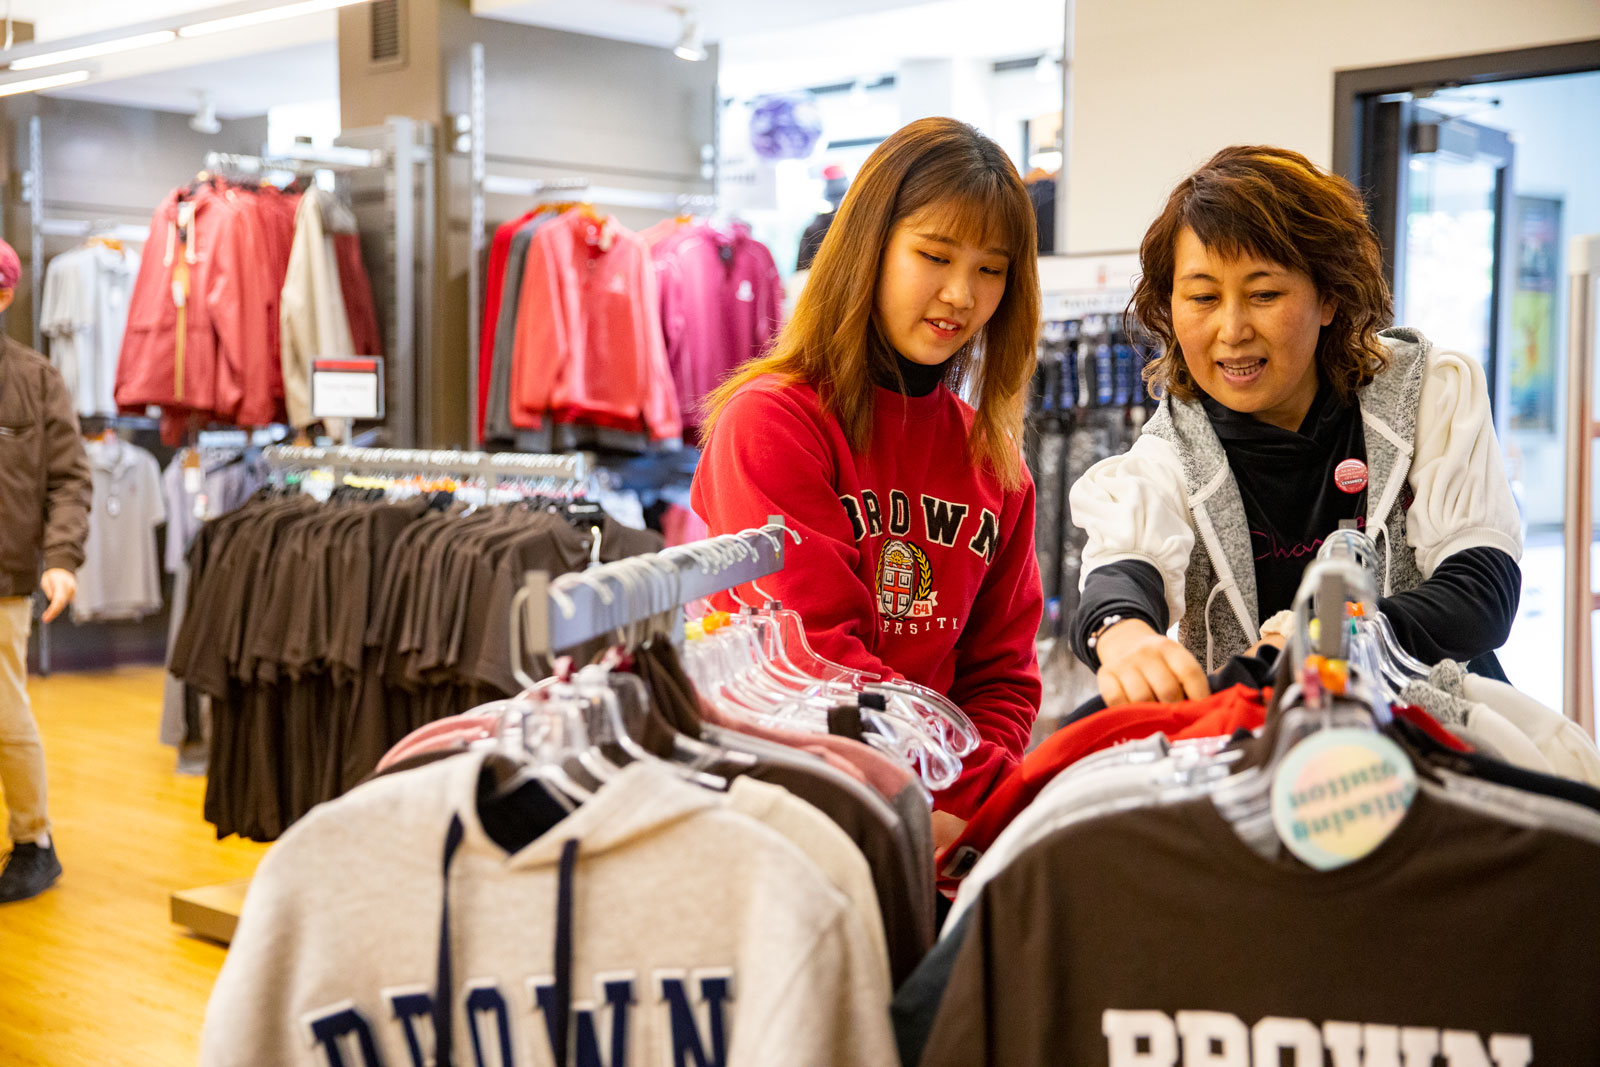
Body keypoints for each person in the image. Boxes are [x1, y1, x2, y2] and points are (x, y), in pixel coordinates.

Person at [1070, 145, 1522, 708]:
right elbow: (1123, 567)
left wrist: (1330, 631)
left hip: (1434, 733)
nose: (1232, 329)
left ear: (1329, 297)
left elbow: (1481, 590)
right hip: (1262, 751)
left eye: (1264, 294)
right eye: (1203, 297)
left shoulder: (1427, 393)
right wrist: (1122, 632)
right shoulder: (1173, 452)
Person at [691, 117, 1044, 836]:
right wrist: (974, 797)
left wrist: (972, 804)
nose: (960, 294)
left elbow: (1002, 677)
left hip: (943, 827)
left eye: (990, 269)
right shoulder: (772, 421)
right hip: (794, 815)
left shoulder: (996, 462)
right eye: (934, 255)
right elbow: (816, 656)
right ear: (870, 249)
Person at [0, 237, 92, 903]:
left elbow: (69, 478)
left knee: (6, 714)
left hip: (4, 579)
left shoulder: (34, 379)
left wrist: (61, 559)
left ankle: (34, 840)